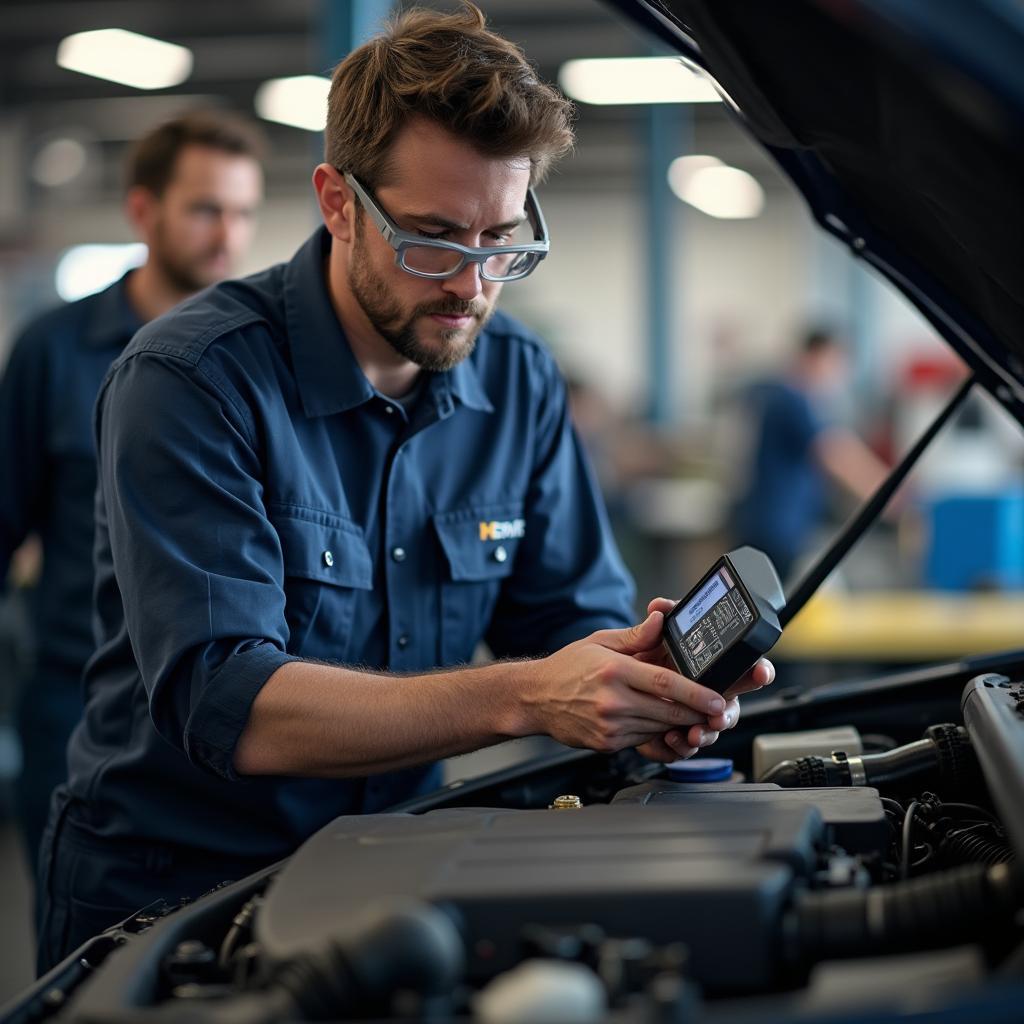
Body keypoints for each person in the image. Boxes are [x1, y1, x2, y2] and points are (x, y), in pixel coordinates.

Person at [37, 4, 773, 972]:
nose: (470, 284)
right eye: (431, 239)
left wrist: (638, 689)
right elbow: (231, 700)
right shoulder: (189, 381)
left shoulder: (516, 378)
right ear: (338, 203)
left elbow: (567, 614)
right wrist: (528, 696)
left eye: (501, 240)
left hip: (400, 873)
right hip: (173, 899)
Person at [0, 111, 265, 889]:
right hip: (75, 700)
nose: (228, 236)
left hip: (214, 701)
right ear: (143, 210)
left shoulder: (256, 358)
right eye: (205, 209)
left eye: (243, 212)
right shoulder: (54, 349)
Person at [729, 327, 890, 583]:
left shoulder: (786, 397)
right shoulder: (794, 400)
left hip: (774, 525)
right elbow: (834, 453)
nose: (839, 375)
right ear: (815, 356)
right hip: (776, 529)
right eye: (837, 363)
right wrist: (890, 494)